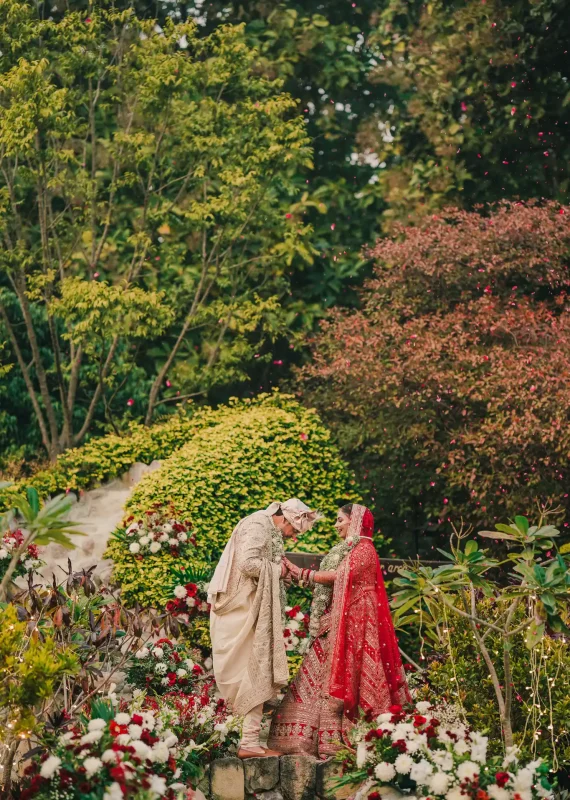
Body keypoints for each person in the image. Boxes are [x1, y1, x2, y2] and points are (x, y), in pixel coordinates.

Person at [267, 503, 410, 758]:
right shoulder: (351, 549)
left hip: (356, 622)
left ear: (354, 522)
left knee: (345, 674)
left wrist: (302, 573)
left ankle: (341, 738)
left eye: (339, 520)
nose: (336, 525)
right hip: (339, 619)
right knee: (316, 668)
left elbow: (339, 576)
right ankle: (303, 736)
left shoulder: (365, 550)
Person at [208, 498, 322, 759]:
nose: (294, 536)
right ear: (286, 518)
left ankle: (249, 741)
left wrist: (288, 573)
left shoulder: (268, 527)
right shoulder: (258, 524)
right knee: (250, 670)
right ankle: (246, 742)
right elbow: (248, 565)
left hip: (253, 608)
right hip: (242, 608)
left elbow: (270, 564)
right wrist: (279, 570)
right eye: (295, 529)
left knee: (257, 670)